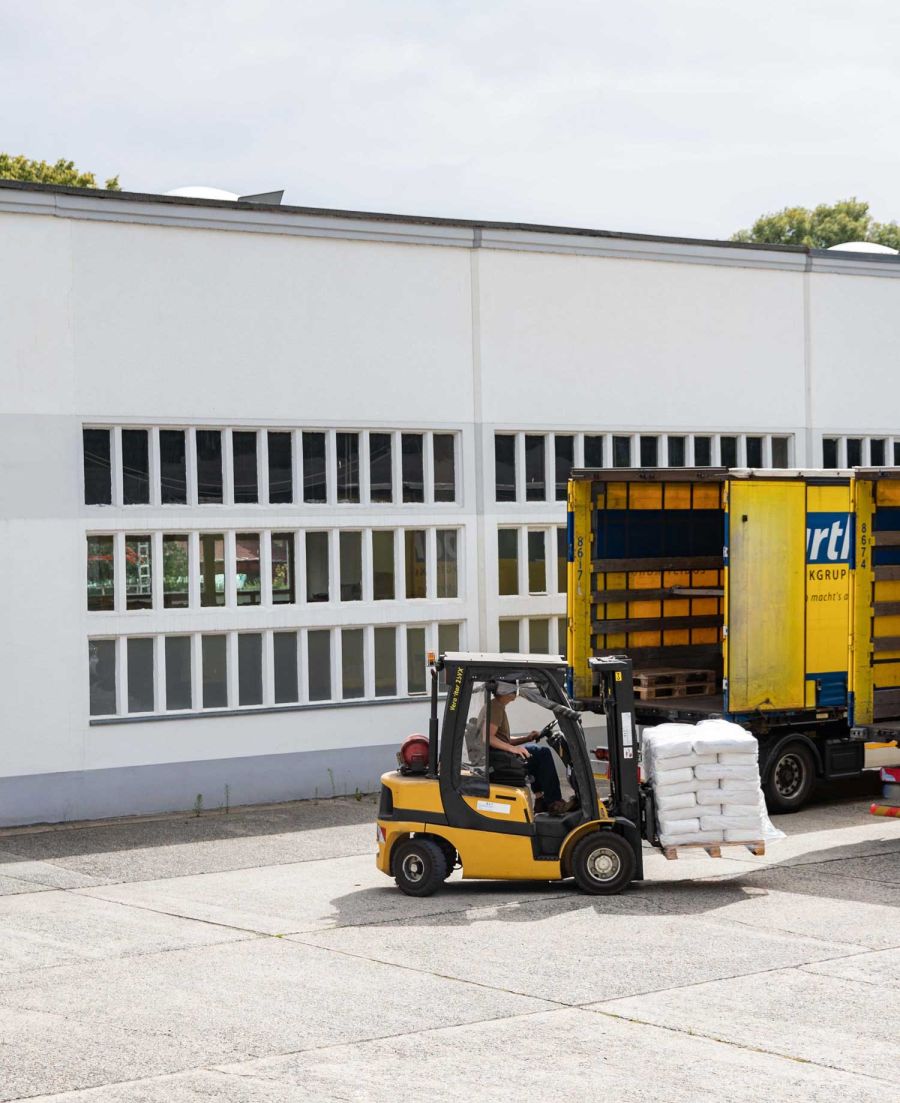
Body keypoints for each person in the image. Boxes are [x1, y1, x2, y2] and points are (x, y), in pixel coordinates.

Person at [487, 682, 575, 815]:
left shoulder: (496, 706)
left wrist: (527, 738)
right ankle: (554, 802)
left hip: (499, 756)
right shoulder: (496, 708)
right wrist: (513, 749)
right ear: (505, 690)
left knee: (533, 750)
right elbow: (488, 737)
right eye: (513, 688)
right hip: (499, 761)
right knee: (542, 754)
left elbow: (502, 740)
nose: (516, 692)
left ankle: (540, 800)